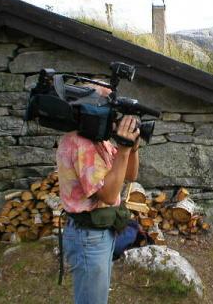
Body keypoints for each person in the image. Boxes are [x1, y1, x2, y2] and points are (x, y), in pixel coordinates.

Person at [57, 84, 141, 304]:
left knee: (97, 297)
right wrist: (123, 150)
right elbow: (109, 195)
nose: (113, 114)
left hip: (101, 231)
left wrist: (132, 148)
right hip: (88, 236)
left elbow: (130, 175)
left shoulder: (99, 139)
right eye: (107, 105)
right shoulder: (80, 143)